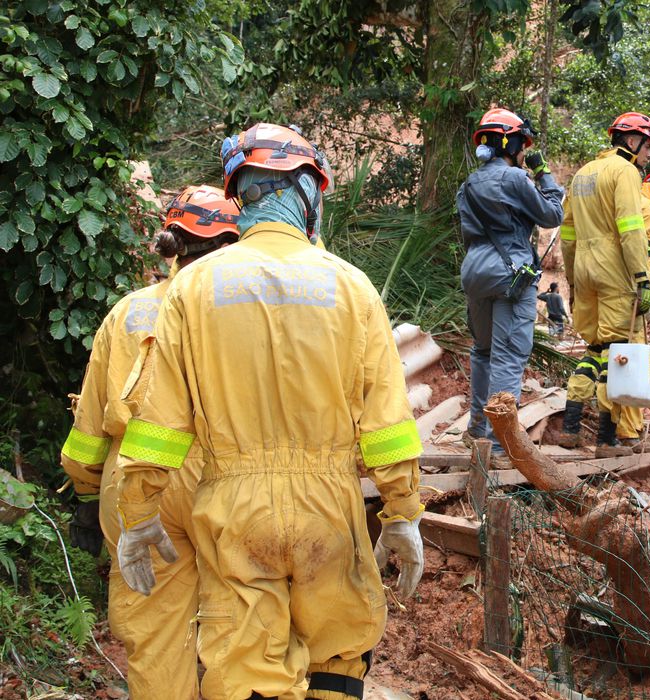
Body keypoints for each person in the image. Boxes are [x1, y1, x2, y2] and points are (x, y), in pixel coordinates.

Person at [112, 122, 424, 700]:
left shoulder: (191, 289)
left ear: (240, 193)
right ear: (309, 191)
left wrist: (138, 510)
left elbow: (159, 423)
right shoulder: (353, 287)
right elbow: (387, 421)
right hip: (329, 510)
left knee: (248, 671)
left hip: (234, 512)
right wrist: (402, 510)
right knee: (337, 655)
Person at [61, 185, 240, 699]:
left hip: (138, 482)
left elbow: (92, 420)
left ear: (172, 243)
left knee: (156, 633)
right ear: (233, 240)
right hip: (225, 479)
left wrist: (87, 494)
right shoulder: (246, 313)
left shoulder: (128, 313)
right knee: (238, 624)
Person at [457, 108, 564, 458]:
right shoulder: (516, 179)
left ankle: (477, 429)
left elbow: (469, 233)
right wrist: (543, 173)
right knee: (508, 357)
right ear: (510, 141)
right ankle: (500, 443)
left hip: (476, 273)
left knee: (483, 351)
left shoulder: (468, 184)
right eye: (522, 145)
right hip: (511, 276)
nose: (523, 152)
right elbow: (552, 214)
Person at [559, 168, 650, 451]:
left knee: (593, 352)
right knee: (621, 358)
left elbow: (568, 235)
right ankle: (616, 436)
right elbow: (640, 249)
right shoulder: (647, 207)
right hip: (620, 284)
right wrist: (645, 288)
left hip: (586, 275)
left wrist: (573, 284)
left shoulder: (593, 184)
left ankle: (570, 428)